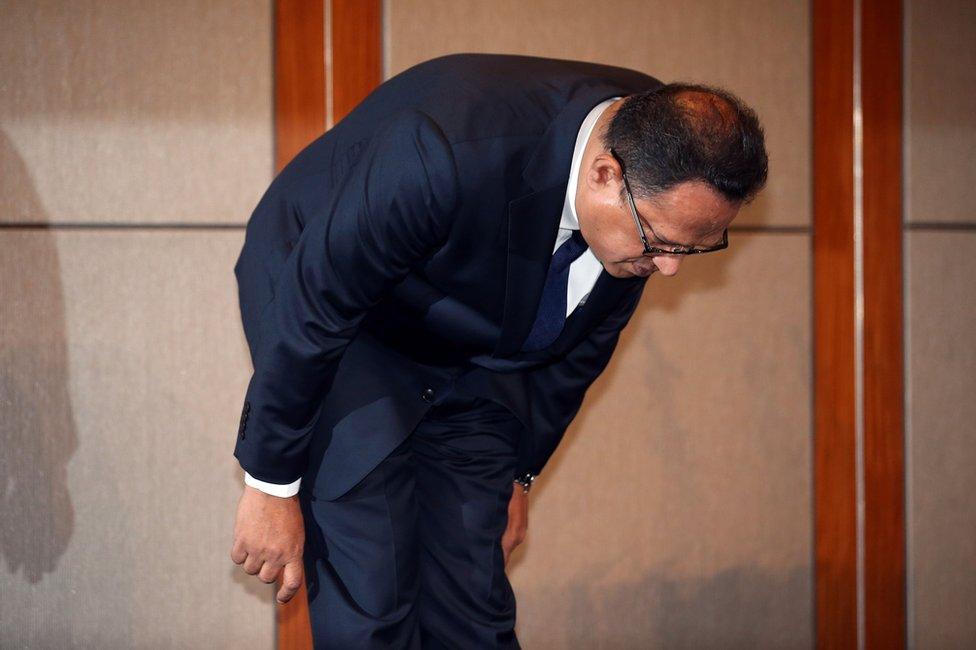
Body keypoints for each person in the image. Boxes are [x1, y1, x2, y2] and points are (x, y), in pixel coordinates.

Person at [229, 52, 767, 648]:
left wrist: (519, 471)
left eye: (693, 249)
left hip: (481, 331)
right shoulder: (442, 149)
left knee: (472, 599)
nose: (667, 269)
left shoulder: (660, 142)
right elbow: (318, 305)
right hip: (349, 318)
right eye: (660, 243)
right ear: (604, 175)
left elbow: (582, 345)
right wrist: (272, 485)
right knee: (373, 585)